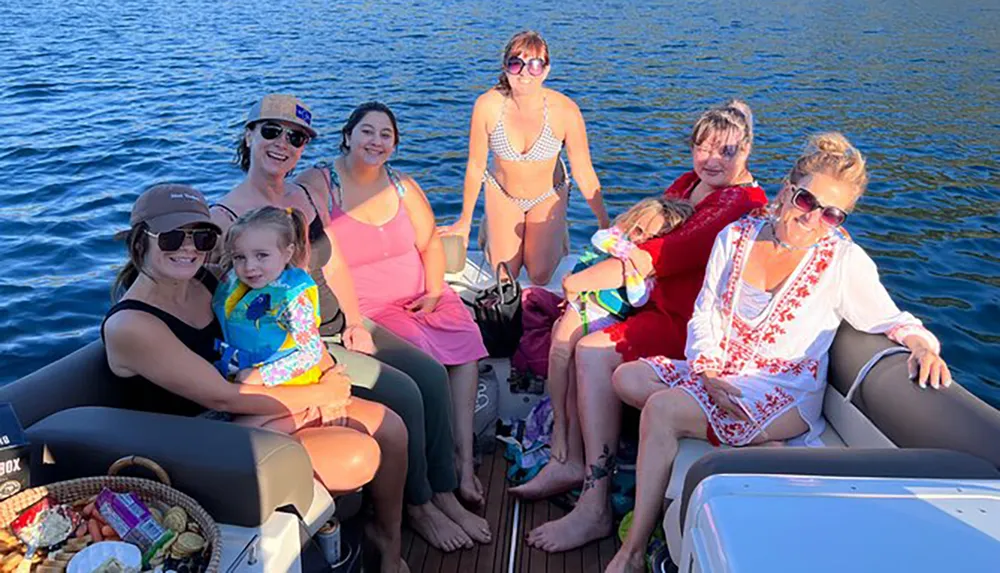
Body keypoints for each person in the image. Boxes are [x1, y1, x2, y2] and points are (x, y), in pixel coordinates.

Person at [605, 132, 952, 573]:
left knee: (662, 410)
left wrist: (922, 344)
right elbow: (706, 313)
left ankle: (632, 551)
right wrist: (707, 369)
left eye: (832, 215)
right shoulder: (736, 237)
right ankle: (752, 443)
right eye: (807, 202)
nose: (813, 219)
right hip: (723, 372)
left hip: (783, 391)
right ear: (788, 190)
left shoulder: (843, 262)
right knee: (626, 378)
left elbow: (889, 318)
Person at [217, 94, 478, 552]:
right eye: (271, 132)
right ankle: (418, 506)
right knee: (404, 393)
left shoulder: (297, 195)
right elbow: (221, 302)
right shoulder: (230, 215)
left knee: (433, 376)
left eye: (295, 137)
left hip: (341, 326)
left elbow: (332, 261)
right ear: (249, 135)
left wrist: (356, 322)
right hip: (302, 347)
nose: (283, 144)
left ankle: (443, 491)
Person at [102, 183, 409, 573]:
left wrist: (323, 365)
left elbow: (279, 314)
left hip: (254, 408)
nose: (189, 247)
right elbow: (223, 398)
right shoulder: (133, 325)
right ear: (139, 241)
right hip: (198, 441)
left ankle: (388, 539)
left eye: (202, 236)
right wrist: (322, 393)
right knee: (357, 456)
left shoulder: (209, 282)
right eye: (173, 237)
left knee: (391, 427)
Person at [513, 100, 767, 554]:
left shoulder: (741, 200)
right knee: (566, 336)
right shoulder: (694, 183)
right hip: (652, 303)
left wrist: (579, 281)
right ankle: (565, 455)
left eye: (725, 151)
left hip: (686, 324)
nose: (711, 158)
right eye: (702, 146)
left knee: (592, 349)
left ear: (747, 150)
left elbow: (663, 255)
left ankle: (594, 502)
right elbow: (639, 235)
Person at [313, 102, 492, 545]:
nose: (376, 141)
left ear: (394, 145)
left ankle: (462, 461)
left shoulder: (403, 187)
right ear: (348, 135)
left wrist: (434, 292)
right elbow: (321, 253)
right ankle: (434, 488)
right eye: (367, 132)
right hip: (374, 307)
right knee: (422, 357)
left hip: (423, 294)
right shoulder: (324, 188)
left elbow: (431, 243)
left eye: (385, 135)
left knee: (467, 338)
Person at [439, 30, 610, 285]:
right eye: (516, 63)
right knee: (505, 275)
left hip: (547, 196)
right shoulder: (487, 106)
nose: (524, 74)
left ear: (547, 69)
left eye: (535, 65)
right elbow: (475, 166)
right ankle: (492, 224)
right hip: (502, 193)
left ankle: (556, 228)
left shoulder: (565, 110)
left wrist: (604, 223)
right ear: (505, 67)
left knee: (539, 276)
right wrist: (465, 221)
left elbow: (583, 170)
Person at [548, 197, 693, 463]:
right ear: (630, 221)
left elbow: (579, 284)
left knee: (568, 359)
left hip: (604, 313)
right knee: (560, 351)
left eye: (648, 238)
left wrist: (572, 288)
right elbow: (574, 284)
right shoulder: (615, 244)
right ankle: (560, 423)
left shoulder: (638, 262)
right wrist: (571, 295)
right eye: (637, 231)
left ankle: (571, 441)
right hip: (584, 306)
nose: (638, 240)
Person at [213, 206, 350, 431]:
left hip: (288, 383)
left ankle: (311, 415)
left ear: (287, 253)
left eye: (262, 256)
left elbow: (311, 352)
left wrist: (262, 376)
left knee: (246, 431)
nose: (249, 266)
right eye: (240, 257)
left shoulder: (293, 298)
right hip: (245, 378)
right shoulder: (234, 282)